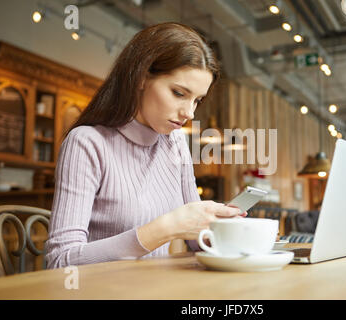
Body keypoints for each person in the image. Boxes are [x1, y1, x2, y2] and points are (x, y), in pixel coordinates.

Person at [45, 22, 245, 269]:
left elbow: (197, 243)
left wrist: (225, 230)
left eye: (197, 100)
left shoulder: (176, 145)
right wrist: (166, 227)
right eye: (179, 93)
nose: (190, 113)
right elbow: (60, 261)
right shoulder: (87, 143)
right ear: (141, 77)